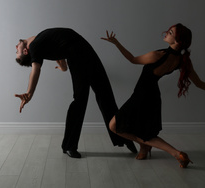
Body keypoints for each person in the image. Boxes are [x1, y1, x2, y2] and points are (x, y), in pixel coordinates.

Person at [101, 23, 205, 168]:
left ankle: (176, 153)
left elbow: (132, 59)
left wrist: (116, 43)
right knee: (144, 132)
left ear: (177, 41)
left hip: (141, 96)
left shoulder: (157, 55)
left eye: (170, 32)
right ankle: (146, 147)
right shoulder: (182, 62)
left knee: (114, 126)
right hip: (153, 97)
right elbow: (199, 83)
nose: (166, 33)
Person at [14, 28, 137, 158]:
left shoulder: (36, 41)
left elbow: (58, 49)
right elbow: (36, 69)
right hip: (77, 55)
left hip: (87, 52)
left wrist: (62, 67)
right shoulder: (34, 46)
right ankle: (69, 145)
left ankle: (124, 137)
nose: (16, 46)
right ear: (26, 51)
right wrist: (29, 92)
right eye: (17, 51)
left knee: (106, 96)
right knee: (80, 100)